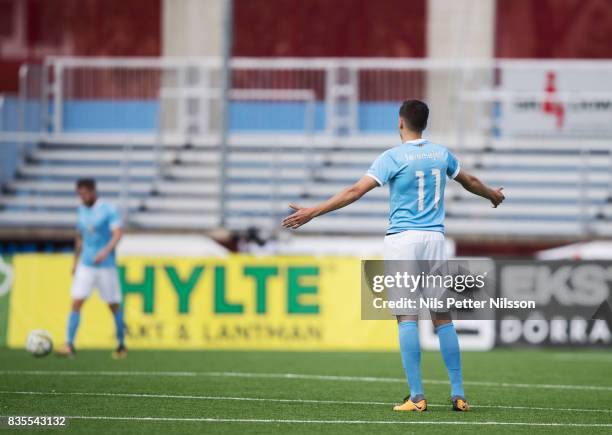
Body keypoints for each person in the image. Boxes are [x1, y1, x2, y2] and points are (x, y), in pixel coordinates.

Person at [282, 99, 505, 412]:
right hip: (435, 238)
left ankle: (416, 397)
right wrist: (493, 195)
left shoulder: (392, 157)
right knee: (443, 319)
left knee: (407, 317)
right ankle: (459, 394)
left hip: (403, 240)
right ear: (424, 123)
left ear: (401, 123)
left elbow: (354, 192)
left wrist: (313, 212)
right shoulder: (441, 154)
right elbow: (470, 181)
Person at [56, 178, 127, 359]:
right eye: (79, 194)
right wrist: (75, 261)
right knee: (76, 302)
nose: (82, 197)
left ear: (93, 192)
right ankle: (69, 344)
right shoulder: (81, 210)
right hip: (86, 265)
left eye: (84, 193)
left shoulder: (108, 209)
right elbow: (80, 237)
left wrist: (105, 252)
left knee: (113, 306)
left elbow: (117, 234)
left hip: (106, 266)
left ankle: (121, 344)